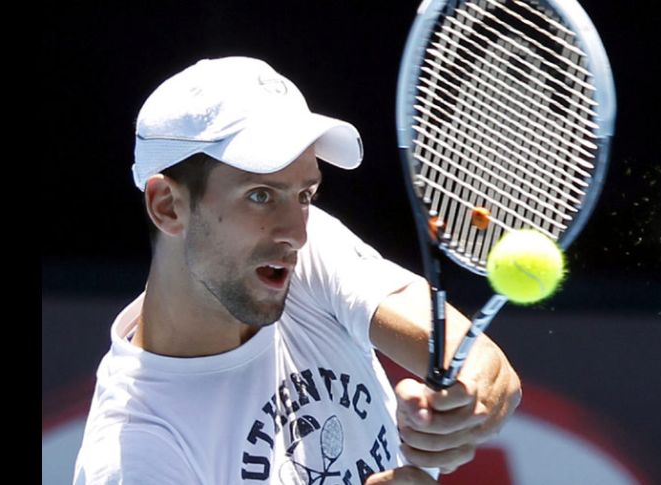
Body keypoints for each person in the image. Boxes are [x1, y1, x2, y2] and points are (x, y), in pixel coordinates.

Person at [73, 56, 521, 485]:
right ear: (167, 205)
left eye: (305, 195)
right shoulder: (136, 458)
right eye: (261, 195)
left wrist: (460, 411)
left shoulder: (302, 255)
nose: (296, 233)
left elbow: (482, 364)